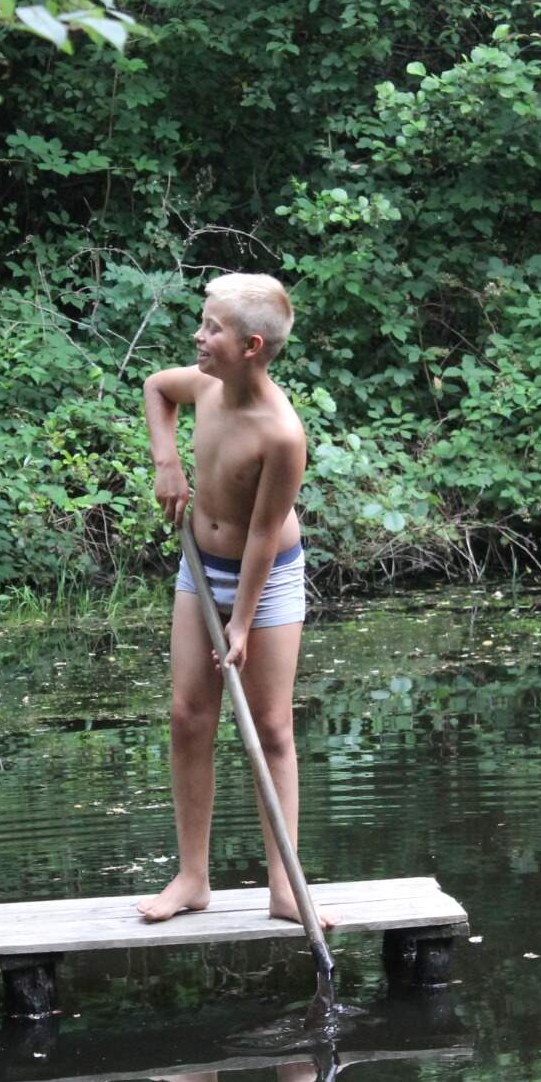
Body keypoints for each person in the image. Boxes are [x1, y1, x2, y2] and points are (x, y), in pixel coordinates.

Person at [136, 273, 333, 929]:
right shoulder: (204, 386)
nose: (199, 336)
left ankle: (284, 886)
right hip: (200, 569)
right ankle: (193, 878)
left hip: (265, 577)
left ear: (251, 346)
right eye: (202, 321)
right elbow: (156, 388)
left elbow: (262, 535)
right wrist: (167, 461)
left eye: (212, 328)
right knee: (188, 715)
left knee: (271, 728)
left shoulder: (282, 434)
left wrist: (241, 623)